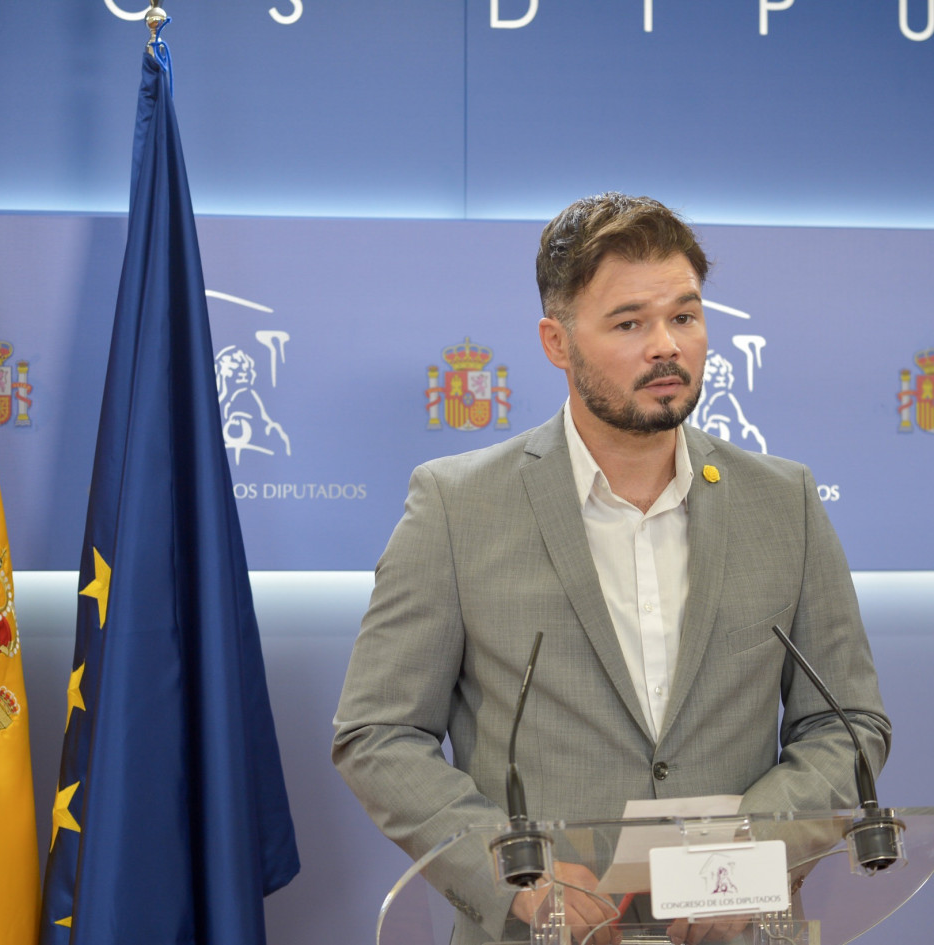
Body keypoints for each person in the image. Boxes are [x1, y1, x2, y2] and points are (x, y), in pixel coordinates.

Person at [331, 193, 889, 945]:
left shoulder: (781, 498)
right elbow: (378, 732)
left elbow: (846, 720)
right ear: (556, 342)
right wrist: (508, 869)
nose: (667, 346)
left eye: (684, 317)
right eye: (629, 323)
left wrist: (759, 851)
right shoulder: (456, 506)